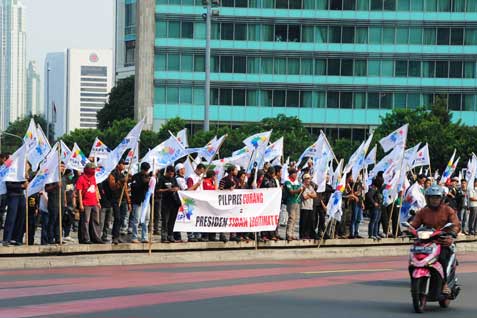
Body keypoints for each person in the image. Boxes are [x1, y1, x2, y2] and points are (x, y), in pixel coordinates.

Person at [410, 184, 461, 295]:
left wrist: (452, 233)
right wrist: (408, 230)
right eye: (432, 197)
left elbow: (456, 224)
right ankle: (415, 282)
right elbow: (414, 223)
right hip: (426, 242)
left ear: (441, 198)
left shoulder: (448, 210)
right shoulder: (423, 211)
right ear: (427, 198)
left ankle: (445, 284)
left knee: (443, 258)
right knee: (413, 259)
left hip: (443, 241)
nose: (434, 200)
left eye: (437, 197)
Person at [76, 163, 103, 244]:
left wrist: (98, 201)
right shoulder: (81, 178)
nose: (93, 171)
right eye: (92, 169)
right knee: (86, 221)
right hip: (86, 203)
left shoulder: (93, 178)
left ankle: (96, 237)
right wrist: (80, 204)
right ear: (88, 169)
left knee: (96, 220)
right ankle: (85, 238)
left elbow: (95, 188)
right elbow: (79, 192)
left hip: (94, 202)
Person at [108, 160, 132, 244]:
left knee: (122, 219)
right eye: (123, 164)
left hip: (123, 200)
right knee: (117, 218)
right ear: (118, 165)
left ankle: (118, 236)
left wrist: (129, 202)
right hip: (115, 199)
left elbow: (125, 189)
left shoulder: (122, 175)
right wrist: (120, 181)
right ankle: (114, 236)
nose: (124, 166)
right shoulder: (112, 174)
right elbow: (112, 187)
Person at [130, 162, 152, 243]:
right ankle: (134, 237)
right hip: (138, 201)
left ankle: (144, 237)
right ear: (141, 169)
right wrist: (144, 182)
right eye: (145, 170)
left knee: (146, 219)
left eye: (147, 170)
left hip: (146, 201)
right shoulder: (135, 176)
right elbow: (134, 187)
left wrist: (151, 180)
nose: (146, 171)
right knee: (136, 219)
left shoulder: (149, 177)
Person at [158, 165, 181, 243]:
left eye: (172, 174)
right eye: (170, 174)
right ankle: (163, 237)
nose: (171, 175)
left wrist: (176, 189)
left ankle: (170, 236)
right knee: (165, 220)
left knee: (172, 220)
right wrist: (168, 189)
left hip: (174, 202)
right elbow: (158, 190)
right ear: (167, 172)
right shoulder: (162, 179)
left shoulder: (174, 179)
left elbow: (177, 187)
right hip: (165, 202)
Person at [186, 163, 205, 242]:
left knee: (198, 218)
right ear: (197, 169)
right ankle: (190, 235)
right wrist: (197, 185)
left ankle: (198, 235)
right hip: (191, 200)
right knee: (191, 218)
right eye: (200, 171)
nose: (201, 173)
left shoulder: (200, 177)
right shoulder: (191, 177)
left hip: (199, 199)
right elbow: (189, 189)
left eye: (202, 172)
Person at [285, 168, 304, 241]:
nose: (296, 175)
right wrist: (299, 190)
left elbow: (300, 191)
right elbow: (291, 192)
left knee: (295, 219)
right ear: (291, 174)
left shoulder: (297, 182)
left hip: (297, 201)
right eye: (294, 173)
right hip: (291, 201)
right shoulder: (288, 182)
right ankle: (288, 234)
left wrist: (303, 189)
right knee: (291, 218)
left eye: (296, 173)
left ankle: (292, 234)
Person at [299, 173, 317, 240]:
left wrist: (309, 194)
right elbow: (304, 197)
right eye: (308, 178)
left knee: (309, 222)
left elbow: (315, 195)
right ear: (305, 179)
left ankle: (307, 235)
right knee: (303, 222)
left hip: (310, 207)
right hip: (304, 207)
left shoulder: (311, 187)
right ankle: (302, 235)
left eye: (310, 178)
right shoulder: (302, 186)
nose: (309, 180)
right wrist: (311, 194)